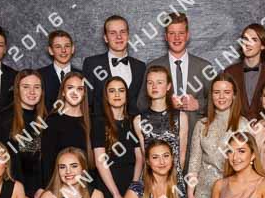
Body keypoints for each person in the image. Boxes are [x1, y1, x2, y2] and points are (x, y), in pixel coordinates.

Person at [137, 12, 210, 170]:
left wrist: (198, 104)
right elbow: (141, 104)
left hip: (196, 142)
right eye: (171, 33)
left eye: (181, 33)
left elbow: (219, 103)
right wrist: (164, 103)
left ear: (188, 35)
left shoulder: (204, 67)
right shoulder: (153, 66)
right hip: (162, 146)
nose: (177, 38)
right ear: (165, 36)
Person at [187, 73, 249, 198]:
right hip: (203, 194)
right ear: (211, 95)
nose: (221, 97)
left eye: (226, 92)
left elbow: (248, 163)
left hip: (233, 192)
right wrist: (190, 192)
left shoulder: (244, 125)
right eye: (216, 92)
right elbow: (194, 162)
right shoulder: (201, 125)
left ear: (234, 95)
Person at [0, 69, 47, 198]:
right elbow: (1, 163)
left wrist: (42, 190)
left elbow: (48, 160)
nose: (32, 92)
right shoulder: (4, 119)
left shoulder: (46, 117)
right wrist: (20, 195)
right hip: (13, 192)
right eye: (26, 87)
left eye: (36, 87)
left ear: (42, 91)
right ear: (17, 90)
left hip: (41, 194)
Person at [92, 76, 143, 198]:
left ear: (127, 95)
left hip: (130, 181)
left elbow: (140, 158)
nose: (117, 95)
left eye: (121, 90)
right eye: (112, 91)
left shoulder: (133, 122)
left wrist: (133, 188)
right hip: (108, 184)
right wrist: (116, 195)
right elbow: (100, 162)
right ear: (106, 96)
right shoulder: (99, 123)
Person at [133, 66, 188, 189]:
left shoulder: (181, 117)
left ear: (168, 86)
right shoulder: (138, 120)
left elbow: (181, 155)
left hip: (174, 181)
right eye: (150, 83)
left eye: (159, 82)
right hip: (150, 182)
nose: (154, 86)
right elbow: (145, 157)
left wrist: (172, 182)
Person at [83, 15, 146, 118]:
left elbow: (143, 103)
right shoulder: (92, 64)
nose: (119, 37)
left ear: (128, 35)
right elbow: (86, 102)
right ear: (105, 38)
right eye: (113, 33)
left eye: (123, 32)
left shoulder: (140, 67)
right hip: (101, 125)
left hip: (133, 126)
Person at [224, 23, 265, 121]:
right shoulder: (230, 72)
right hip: (236, 127)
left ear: (263, 46)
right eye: (245, 39)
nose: (248, 44)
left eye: (254, 39)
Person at [41, 71, 94, 186]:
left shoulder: (92, 121)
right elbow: (47, 162)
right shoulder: (52, 121)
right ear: (63, 92)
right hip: (59, 186)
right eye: (70, 88)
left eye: (80, 89)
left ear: (84, 93)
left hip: (87, 186)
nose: (75, 92)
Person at [37, 30, 82, 111]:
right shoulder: (39, 75)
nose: (63, 50)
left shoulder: (82, 75)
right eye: (58, 47)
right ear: (51, 51)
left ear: (72, 49)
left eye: (67, 46)